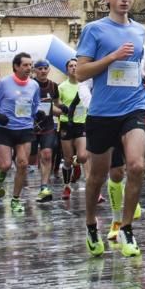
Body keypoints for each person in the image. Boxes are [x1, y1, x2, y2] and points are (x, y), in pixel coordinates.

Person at [76, 0, 145, 258]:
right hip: (102, 112)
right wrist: (111, 57)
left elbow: (139, 68)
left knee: (136, 166)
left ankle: (126, 227)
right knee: (97, 176)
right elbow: (80, 72)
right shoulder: (94, 30)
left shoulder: (139, 31)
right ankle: (90, 224)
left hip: (133, 106)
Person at [0, 52, 42, 213]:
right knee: (5, 164)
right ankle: (0, 173)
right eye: (25, 65)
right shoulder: (4, 83)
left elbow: (36, 103)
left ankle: (16, 199)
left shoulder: (34, 85)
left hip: (24, 127)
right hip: (5, 127)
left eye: (30, 65)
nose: (29, 68)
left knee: (23, 164)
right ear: (16, 66)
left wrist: (37, 112)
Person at [30, 59, 62, 203]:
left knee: (47, 155)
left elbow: (55, 107)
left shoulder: (54, 86)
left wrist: (62, 110)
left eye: (45, 68)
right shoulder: (29, 85)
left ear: (49, 70)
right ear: (34, 70)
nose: (43, 71)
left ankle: (44, 187)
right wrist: (36, 110)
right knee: (26, 161)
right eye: (40, 68)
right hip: (29, 126)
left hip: (47, 127)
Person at [58, 58, 88, 200]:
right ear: (67, 70)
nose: (74, 68)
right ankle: (67, 186)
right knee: (68, 159)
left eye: (76, 65)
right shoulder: (62, 87)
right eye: (71, 66)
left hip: (82, 123)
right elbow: (56, 103)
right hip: (66, 124)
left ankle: (91, 187)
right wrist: (62, 109)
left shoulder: (85, 85)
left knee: (83, 156)